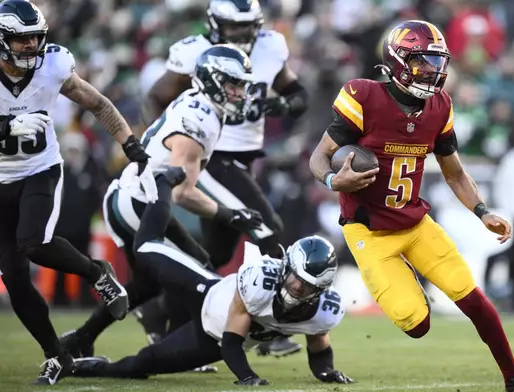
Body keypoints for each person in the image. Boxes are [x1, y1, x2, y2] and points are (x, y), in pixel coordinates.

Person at [308, 20, 514, 392]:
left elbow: (455, 174)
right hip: (369, 231)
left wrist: (483, 212)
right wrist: (333, 181)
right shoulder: (363, 95)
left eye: (437, 62)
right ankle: (409, 283)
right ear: (398, 60)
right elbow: (319, 158)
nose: (433, 71)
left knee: (474, 300)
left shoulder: (440, 106)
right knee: (417, 325)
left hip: (416, 224)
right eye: (423, 62)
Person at [58, 44, 263, 371]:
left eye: (241, 85)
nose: (240, 93)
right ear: (212, 81)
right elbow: (183, 192)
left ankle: (83, 337)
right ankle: (176, 347)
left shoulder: (204, 108)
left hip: (141, 198)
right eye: (233, 84)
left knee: (161, 279)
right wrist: (229, 213)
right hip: (139, 203)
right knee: (193, 270)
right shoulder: (200, 119)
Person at [71, 169, 352, 386]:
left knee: (143, 364)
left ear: (321, 290)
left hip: (211, 338)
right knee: (145, 249)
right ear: (285, 267)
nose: (296, 287)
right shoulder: (260, 283)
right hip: (207, 291)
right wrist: (248, 377)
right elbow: (233, 340)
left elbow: (318, 348)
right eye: (294, 278)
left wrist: (327, 372)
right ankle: (163, 186)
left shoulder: (323, 312)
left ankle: (86, 367)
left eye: (307, 287)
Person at [0, 0, 157, 385]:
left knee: (34, 243)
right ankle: (58, 355)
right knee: (16, 278)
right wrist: (6, 128)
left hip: (39, 171)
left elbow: (99, 104)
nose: (31, 47)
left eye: (36, 38)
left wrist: (130, 144)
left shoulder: (52, 66)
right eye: (22, 40)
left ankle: (96, 273)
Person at [140, 0, 306, 357]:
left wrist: (285, 105)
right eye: (236, 27)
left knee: (214, 254)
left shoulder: (271, 46)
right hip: (213, 158)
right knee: (267, 230)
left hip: (242, 161)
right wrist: (168, 146)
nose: (244, 34)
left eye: (249, 26)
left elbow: (297, 94)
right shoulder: (196, 53)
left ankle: (160, 310)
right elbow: (156, 96)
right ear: (215, 25)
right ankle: (273, 330)